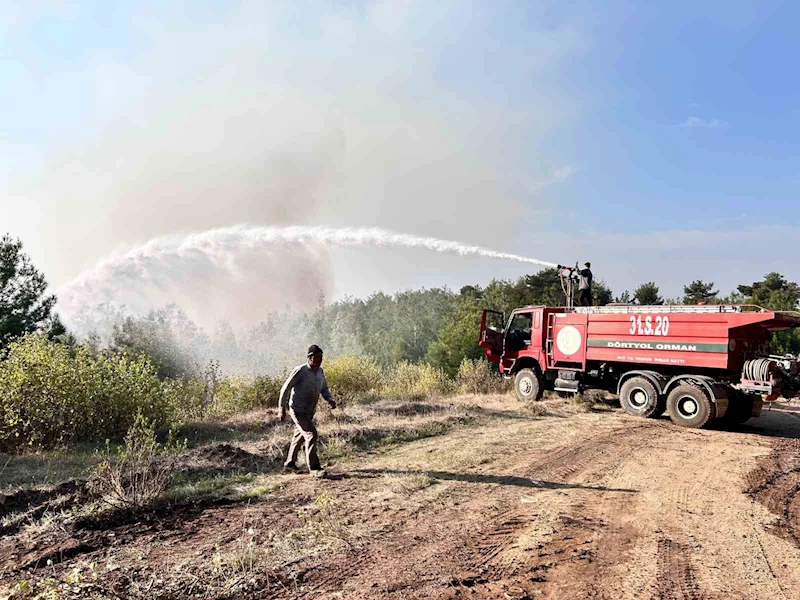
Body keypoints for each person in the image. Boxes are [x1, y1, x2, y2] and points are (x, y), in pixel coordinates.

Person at [278, 344, 336, 478]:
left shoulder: (320, 372)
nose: (320, 360)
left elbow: (324, 388)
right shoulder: (300, 371)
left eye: (321, 357)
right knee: (311, 434)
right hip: (297, 410)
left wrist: (330, 399)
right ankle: (314, 468)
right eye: (317, 357)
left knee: (298, 436)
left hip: (310, 411)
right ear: (310, 358)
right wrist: (281, 408)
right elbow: (285, 389)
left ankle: (289, 464)